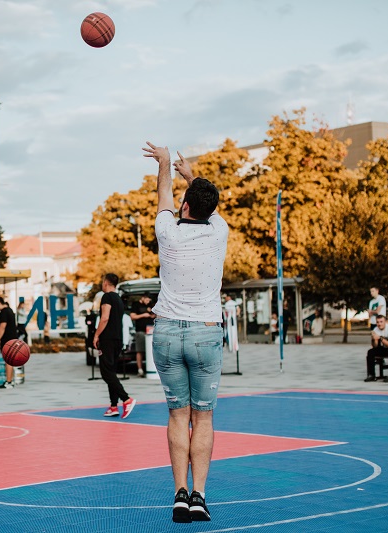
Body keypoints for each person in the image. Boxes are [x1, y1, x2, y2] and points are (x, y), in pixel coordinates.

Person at [143, 142, 228, 523]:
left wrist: (165, 164)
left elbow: (163, 194)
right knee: (204, 417)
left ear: (185, 206)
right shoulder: (219, 231)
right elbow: (205, 202)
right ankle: (200, 495)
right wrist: (192, 175)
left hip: (166, 332)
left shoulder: (167, 231)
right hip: (206, 333)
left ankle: (179, 493)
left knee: (178, 415)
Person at [92, 273, 136, 420]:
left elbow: (104, 318)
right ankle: (113, 406)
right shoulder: (118, 299)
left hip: (108, 340)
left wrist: (96, 335)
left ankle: (126, 399)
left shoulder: (107, 297)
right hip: (117, 339)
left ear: (106, 282)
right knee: (111, 372)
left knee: (106, 373)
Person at [0, 297, 18, 389]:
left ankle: (9, 381)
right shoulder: (10, 310)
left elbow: (2, 326)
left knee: (8, 360)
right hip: (12, 338)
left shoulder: (3, 312)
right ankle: (10, 380)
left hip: (7, 339)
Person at [130, 295, 155, 377]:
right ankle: (140, 369)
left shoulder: (151, 305)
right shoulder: (136, 305)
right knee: (140, 350)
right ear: (143, 298)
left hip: (151, 331)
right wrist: (143, 315)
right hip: (140, 331)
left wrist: (152, 315)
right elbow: (132, 316)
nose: (148, 301)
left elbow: (156, 315)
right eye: (147, 299)